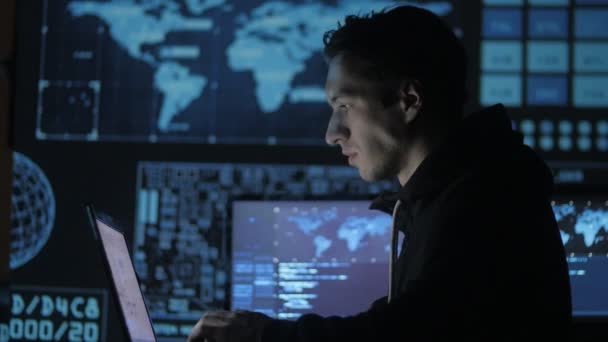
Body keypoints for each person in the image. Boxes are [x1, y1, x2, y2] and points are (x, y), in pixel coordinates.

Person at [188, 5, 572, 342]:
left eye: (344, 105)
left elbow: (407, 332)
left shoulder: (485, 199)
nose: (332, 133)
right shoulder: (459, 191)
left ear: (409, 101)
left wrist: (262, 335)